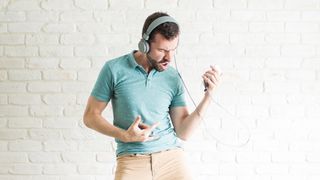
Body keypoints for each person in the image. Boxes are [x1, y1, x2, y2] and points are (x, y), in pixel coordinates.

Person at [83, 12, 221, 180]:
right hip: (131, 160)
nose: (168, 58)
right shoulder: (114, 69)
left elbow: (184, 132)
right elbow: (90, 116)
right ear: (144, 45)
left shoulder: (172, 77)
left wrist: (209, 96)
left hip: (171, 158)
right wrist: (125, 135)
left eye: (173, 50)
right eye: (162, 50)